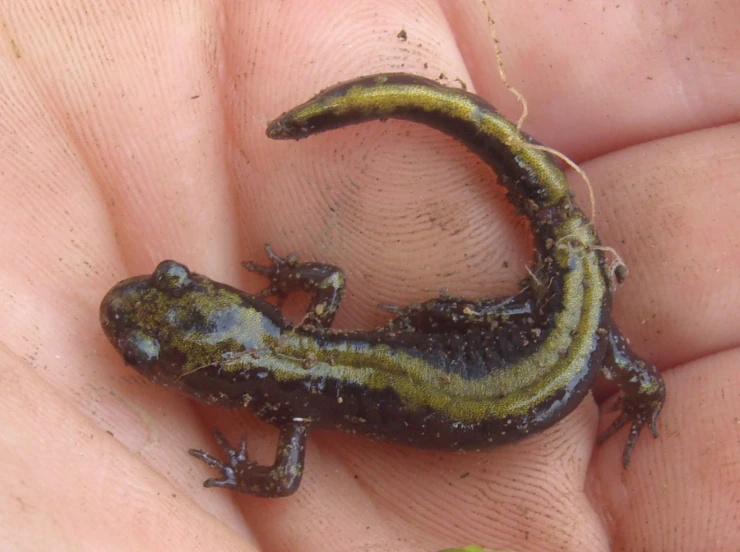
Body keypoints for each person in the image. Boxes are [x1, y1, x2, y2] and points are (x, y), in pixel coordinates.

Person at [1, 2, 738, 550]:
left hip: (562, 350)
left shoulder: (290, 409)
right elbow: (322, 287)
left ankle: (627, 377)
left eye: (174, 282)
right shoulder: (296, 363)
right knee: (564, 338)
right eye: (149, 354)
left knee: (557, 338)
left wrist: (236, 467)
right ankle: (634, 383)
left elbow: (283, 478)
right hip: (566, 346)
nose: (139, 321)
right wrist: (292, 275)